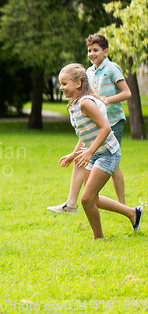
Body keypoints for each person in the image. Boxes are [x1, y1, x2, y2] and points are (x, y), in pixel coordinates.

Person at [48, 34, 132, 213]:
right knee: (86, 156)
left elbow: (127, 93)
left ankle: (124, 206)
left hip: (112, 121)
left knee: (111, 162)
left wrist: (102, 101)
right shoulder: (89, 72)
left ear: (106, 51)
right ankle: (71, 203)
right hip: (92, 122)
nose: (91, 53)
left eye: (96, 50)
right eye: (89, 50)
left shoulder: (112, 68)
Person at [56, 63, 142, 239]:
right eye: (61, 84)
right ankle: (133, 213)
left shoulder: (86, 103)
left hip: (108, 153)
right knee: (93, 199)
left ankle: (99, 237)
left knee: (86, 199)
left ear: (78, 83)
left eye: (65, 83)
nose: (61, 87)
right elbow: (86, 133)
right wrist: (75, 154)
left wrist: (89, 152)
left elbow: (105, 128)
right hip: (95, 153)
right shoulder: (75, 103)